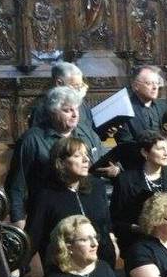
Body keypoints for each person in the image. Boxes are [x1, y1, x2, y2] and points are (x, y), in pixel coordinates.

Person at [6, 86, 102, 228]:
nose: (75, 114)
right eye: (67, 110)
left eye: (76, 109)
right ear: (53, 112)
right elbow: (16, 184)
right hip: (48, 211)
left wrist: (115, 168)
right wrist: (18, 218)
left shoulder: (86, 132)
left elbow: (101, 159)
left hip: (84, 204)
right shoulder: (31, 139)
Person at [26, 137, 117, 277]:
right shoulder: (45, 195)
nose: (86, 160)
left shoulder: (97, 186)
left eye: (86, 155)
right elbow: (33, 237)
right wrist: (18, 269)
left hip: (103, 263)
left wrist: (113, 243)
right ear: (61, 163)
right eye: (77, 156)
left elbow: (106, 223)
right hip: (66, 269)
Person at [111, 131, 167, 256]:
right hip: (141, 242)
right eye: (160, 149)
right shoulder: (126, 180)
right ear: (145, 152)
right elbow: (117, 220)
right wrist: (137, 228)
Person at [115, 65, 167, 146]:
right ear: (136, 86)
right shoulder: (124, 108)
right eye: (149, 83)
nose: (155, 87)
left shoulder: (163, 106)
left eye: (157, 83)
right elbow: (125, 142)